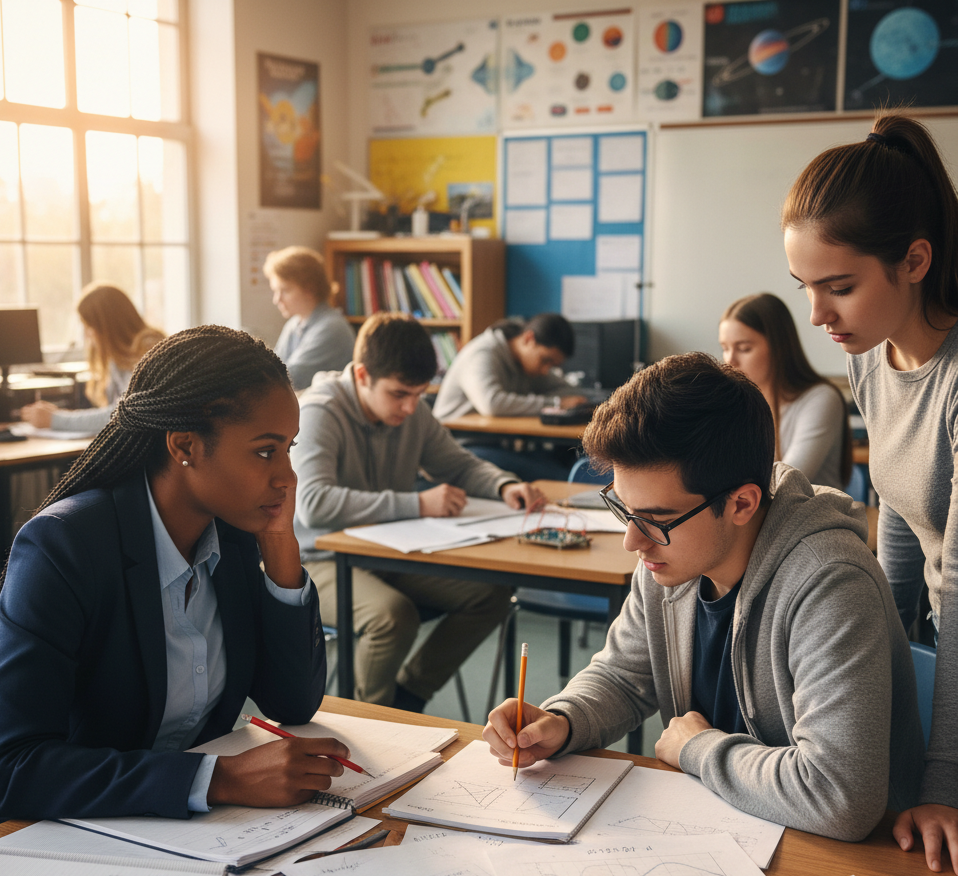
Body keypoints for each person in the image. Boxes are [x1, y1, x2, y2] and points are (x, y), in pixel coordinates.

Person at [483, 353, 923, 843]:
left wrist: (698, 750)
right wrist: (562, 720)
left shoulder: (829, 582)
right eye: (624, 509)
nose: (633, 539)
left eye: (654, 518)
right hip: (725, 826)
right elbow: (626, 676)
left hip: (845, 856)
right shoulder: (672, 553)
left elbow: (839, 796)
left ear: (741, 504)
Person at [0, 326, 340, 849]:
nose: (288, 476)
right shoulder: (64, 548)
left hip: (162, 835)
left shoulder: (234, 538)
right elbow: (12, 770)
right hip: (28, 842)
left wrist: (282, 548)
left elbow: (292, 703)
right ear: (184, 446)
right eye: (266, 452)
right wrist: (221, 777)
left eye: (289, 449)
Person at [782, 112, 958, 872]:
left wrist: (944, 778)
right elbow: (897, 518)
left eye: (839, 288)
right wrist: (874, 649)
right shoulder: (872, 357)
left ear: (914, 260)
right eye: (805, 288)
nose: (816, 316)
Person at [292, 311, 546, 711]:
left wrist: (504, 484)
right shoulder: (318, 412)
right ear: (361, 376)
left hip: (383, 548)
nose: (411, 407)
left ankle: (407, 698)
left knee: (490, 595)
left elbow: (458, 463)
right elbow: (314, 505)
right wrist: (416, 503)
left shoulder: (411, 410)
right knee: (393, 617)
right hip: (317, 559)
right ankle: (376, 720)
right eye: (399, 394)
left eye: (420, 394)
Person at [719, 292, 852, 488]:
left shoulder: (821, 399)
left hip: (813, 518)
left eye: (744, 348)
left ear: (778, 347)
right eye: (725, 348)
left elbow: (783, 484)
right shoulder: (738, 403)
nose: (730, 360)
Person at [433, 313, 584, 480]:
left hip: (497, 444)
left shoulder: (526, 363)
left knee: (569, 460)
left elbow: (567, 390)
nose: (545, 371)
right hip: (458, 446)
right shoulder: (483, 353)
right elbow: (492, 404)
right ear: (529, 339)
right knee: (558, 476)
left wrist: (569, 400)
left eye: (553, 365)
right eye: (545, 360)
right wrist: (556, 404)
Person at [20, 283, 164, 434]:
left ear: (107, 325)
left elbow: (124, 415)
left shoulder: (149, 350)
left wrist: (56, 419)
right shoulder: (119, 359)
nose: (88, 335)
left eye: (89, 327)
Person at [264, 245, 355, 390]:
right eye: (275, 291)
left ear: (310, 289)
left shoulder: (331, 328)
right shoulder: (294, 324)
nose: (277, 299)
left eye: (285, 290)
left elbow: (288, 379)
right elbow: (272, 366)